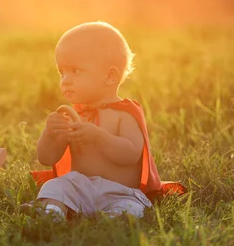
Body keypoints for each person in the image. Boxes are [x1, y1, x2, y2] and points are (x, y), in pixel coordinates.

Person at [25, 22, 183, 220]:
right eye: (62, 72)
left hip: (120, 192)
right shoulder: (75, 116)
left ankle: (114, 219)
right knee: (55, 185)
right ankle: (51, 212)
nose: (65, 80)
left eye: (75, 70)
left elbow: (130, 154)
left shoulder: (124, 114)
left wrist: (98, 136)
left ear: (110, 76)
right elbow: (47, 158)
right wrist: (50, 133)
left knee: (132, 208)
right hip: (80, 188)